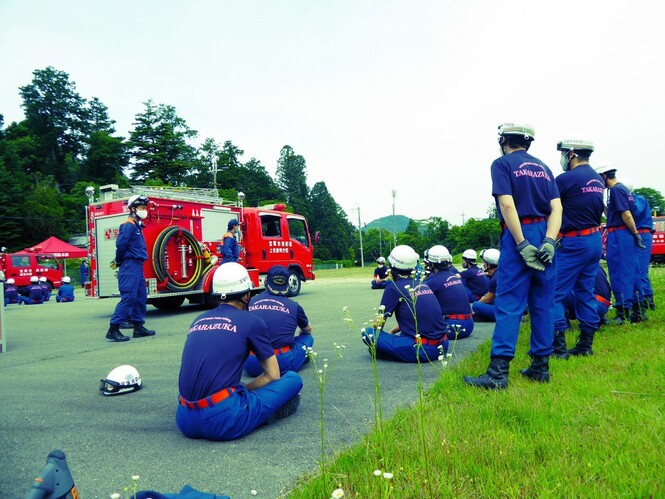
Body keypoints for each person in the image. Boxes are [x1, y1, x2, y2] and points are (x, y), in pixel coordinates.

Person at [464, 123, 562, 390]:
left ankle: (497, 374)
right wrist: (550, 241)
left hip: (520, 230)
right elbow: (557, 207)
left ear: (504, 139)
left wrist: (521, 244)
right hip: (545, 231)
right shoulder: (544, 167)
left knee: (509, 303)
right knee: (543, 301)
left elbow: (506, 204)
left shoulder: (502, 164)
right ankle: (540, 367)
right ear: (528, 142)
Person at [176, 262, 303, 441]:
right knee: (292, 379)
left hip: (184, 419)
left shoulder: (198, 319)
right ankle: (258, 414)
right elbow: (273, 375)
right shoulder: (252, 321)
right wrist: (245, 388)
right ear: (247, 295)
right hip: (224, 419)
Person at [550, 140, 604, 360]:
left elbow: (551, 208)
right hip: (594, 240)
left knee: (554, 294)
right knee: (585, 291)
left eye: (564, 154)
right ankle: (585, 343)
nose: (562, 157)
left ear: (571, 154)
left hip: (573, 243)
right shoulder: (598, 179)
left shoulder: (564, 179)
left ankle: (558, 347)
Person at [361, 245, 449, 362]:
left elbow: (378, 324)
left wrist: (384, 336)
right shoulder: (421, 284)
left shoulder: (393, 287)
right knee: (403, 334)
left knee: (367, 333)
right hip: (443, 345)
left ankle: (392, 352)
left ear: (392, 265)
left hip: (422, 350)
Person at [244, 265, 314, 377]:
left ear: (266, 281)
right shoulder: (294, 306)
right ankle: (300, 357)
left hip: (253, 362)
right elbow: (308, 329)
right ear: (287, 284)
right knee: (308, 338)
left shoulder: (251, 301)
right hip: (281, 362)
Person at [595, 164, 643, 325]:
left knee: (619, 273)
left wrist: (635, 233)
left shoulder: (615, 190)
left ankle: (623, 313)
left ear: (603, 176)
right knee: (630, 271)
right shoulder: (620, 189)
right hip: (622, 233)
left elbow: (626, 214)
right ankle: (637, 310)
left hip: (620, 234)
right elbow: (613, 213)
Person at [105, 195, 157, 342]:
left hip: (137, 265)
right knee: (128, 297)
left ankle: (138, 327)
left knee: (141, 297)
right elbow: (121, 245)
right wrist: (119, 261)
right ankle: (113, 329)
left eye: (145, 207)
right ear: (133, 209)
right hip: (129, 265)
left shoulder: (136, 225)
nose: (144, 210)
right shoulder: (128, 225)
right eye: (142, 207)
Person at [423, 245, 474, 340]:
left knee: (416, 329)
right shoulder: (453, 275)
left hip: (453, 326)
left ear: (432, 264)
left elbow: (418, 304)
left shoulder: (433, 281)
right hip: (469, 324)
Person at [624, 179, 655, 319]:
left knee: (641, 270)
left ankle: (645, 301)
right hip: (635, 234)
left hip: (642, 234)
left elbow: (634, 211)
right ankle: (645, 299)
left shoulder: (639, 199)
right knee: (637, 270)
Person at [471, 249, 500, 322]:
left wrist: (479, 302)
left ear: (489, 264)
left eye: (484, 262)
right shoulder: (501, 272)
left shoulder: (495, 279)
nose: (483, 264)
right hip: (513, 305)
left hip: (503, 312)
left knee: (476, 305)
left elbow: (488, 299)